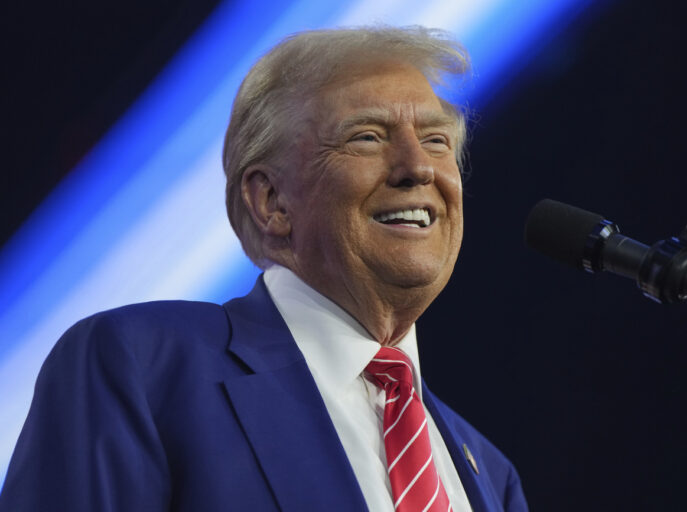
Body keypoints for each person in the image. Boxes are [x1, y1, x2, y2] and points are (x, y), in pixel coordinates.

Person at [0, 26, 527, 511]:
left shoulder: (489, 474)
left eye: (436, 140)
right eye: (367, 136)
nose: (418, 167)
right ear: (271, 200)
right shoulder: (141, 367)